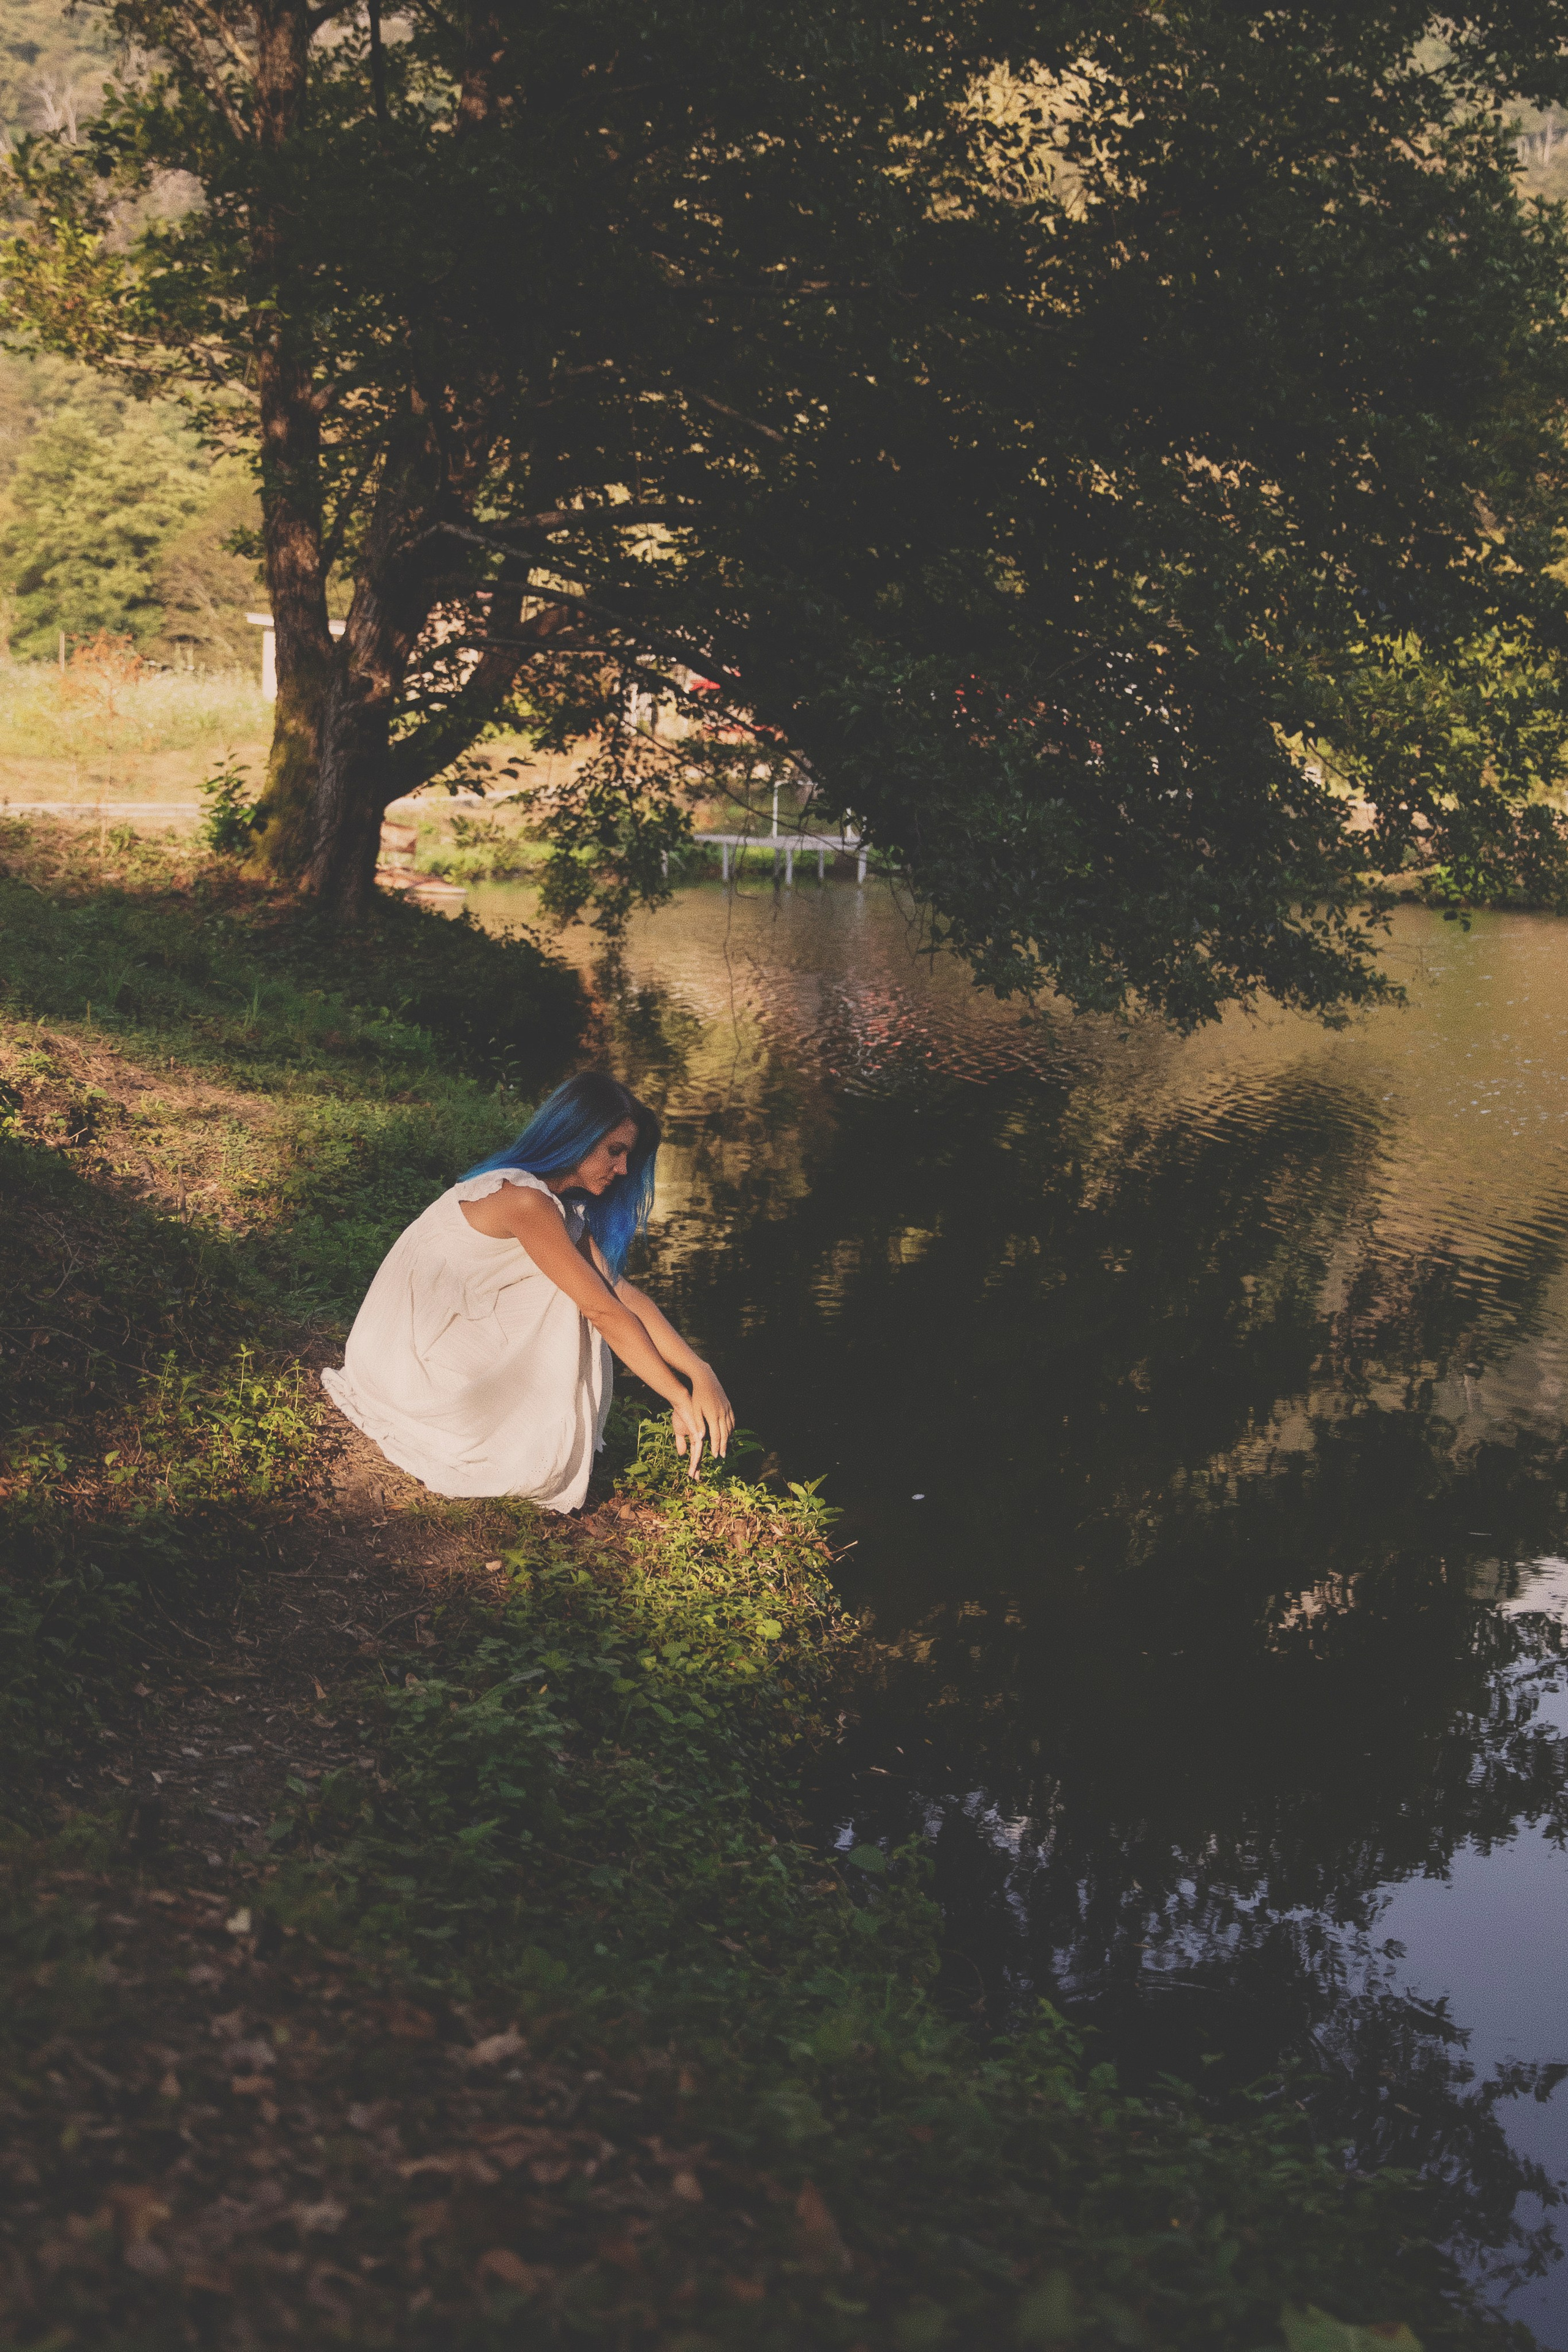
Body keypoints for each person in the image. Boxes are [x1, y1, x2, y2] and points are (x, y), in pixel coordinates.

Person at [320, 1071, 733, 1510]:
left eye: (628, 1155)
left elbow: (623, 1294)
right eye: (615, 1151)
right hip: (401, 1367)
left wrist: (700, 1371)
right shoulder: (525, 1200)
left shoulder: (553, 1206)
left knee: (592, 1287)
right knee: (576, 1296)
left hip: (413, 1346)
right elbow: (604, 1311)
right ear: (578, 1136)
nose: (624, 1169)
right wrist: (678, 1397)